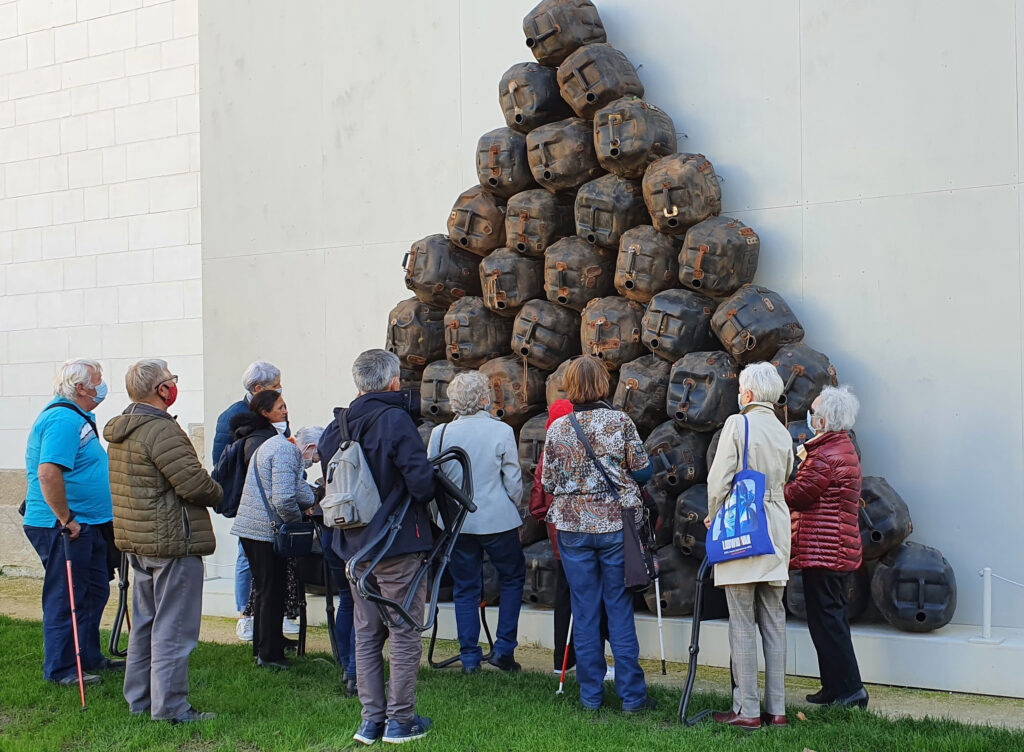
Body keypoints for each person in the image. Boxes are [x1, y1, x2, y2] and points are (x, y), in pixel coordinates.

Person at [322, 349, 436, 746]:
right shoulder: (395, 420)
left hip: (354, 549)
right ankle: (400, 722)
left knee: (367, 633)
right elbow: (421, 484)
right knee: (404, 633)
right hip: (398, 544)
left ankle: (371, 722)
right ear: (393, 383)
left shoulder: (336, 426)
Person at [104, 359, 223, 723]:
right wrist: (220, 490)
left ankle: (140, 700)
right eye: (172, 380)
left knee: (145, 625)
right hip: (171, 543)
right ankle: (170, 709)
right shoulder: (161, 431)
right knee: (173, 629)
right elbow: (195, 485)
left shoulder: (125, 429)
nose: (174, 386)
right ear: (161, 390)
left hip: (139, 542)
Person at [541, 356, 655, 713]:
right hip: (615, 525)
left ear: (570, 386)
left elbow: (547, 482)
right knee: (619, 606)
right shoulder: (620, 421)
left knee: (584, 608)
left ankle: (590, 696)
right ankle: (632, 697)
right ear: (604, 384)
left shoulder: (557, 428)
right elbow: (644, 472)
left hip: (572, 528)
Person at [703, 362, 794, 729]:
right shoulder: (782, 430)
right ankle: (778, 709)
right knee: (774, 621)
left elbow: (719, 478)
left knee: (741, 621)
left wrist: (714, 515)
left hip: (743, 524)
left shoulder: (737, 423)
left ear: (749, 393)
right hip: (776, 524)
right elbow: (787, 476)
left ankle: (747, 710)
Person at [22, 359, 122, 687]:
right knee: (66, 596)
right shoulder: (63, 419)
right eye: (98, 380)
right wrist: (67, 518)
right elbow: (48, 472)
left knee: (93, 591)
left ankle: (89, 656)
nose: (102, 385)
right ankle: (61, 668)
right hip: (64, 526)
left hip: (87, 523)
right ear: (81, 388)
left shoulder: (76, 417)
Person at [428, 371, 525, 674]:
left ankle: (470, 657)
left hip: (457, 523)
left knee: (465, 588)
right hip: (497, 519)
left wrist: (439, 518)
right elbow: (513, 481)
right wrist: (514, 507)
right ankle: (504, 648)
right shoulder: (501, 431)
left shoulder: (440, 433)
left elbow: (433, 481)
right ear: (485, 398)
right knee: (512, 579)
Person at [785, 385, 868, 709]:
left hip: (825, 551)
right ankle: (833, 686)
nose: (810, 416)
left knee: (829, 622)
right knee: (824, 621)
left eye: (815, 413)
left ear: (824, 420)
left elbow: (799, 494)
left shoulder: (826, 455)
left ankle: (851, 690)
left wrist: (775, 485)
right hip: (829, 549)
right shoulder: (838, 447)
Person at [230, 394, 316, 670]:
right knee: (272, 590)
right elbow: (283, 498)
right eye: (280, 407)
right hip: (265, 530)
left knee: (266, 589)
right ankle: (269, 655)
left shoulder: (273, 445)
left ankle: (266, 645)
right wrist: (295, 522)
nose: (286, 411)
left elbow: (295, 489)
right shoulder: (284, 449)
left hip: (253, 528)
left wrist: (311, 498)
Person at [211, 361, 286, 643]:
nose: (280, 392)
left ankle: (275, 622)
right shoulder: (231, 416)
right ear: (257, 389)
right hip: (247, 496)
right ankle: (245, 614)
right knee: (246, 554)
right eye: (275, 385)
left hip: (272, 493)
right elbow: (222, 463)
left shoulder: (275, 412)